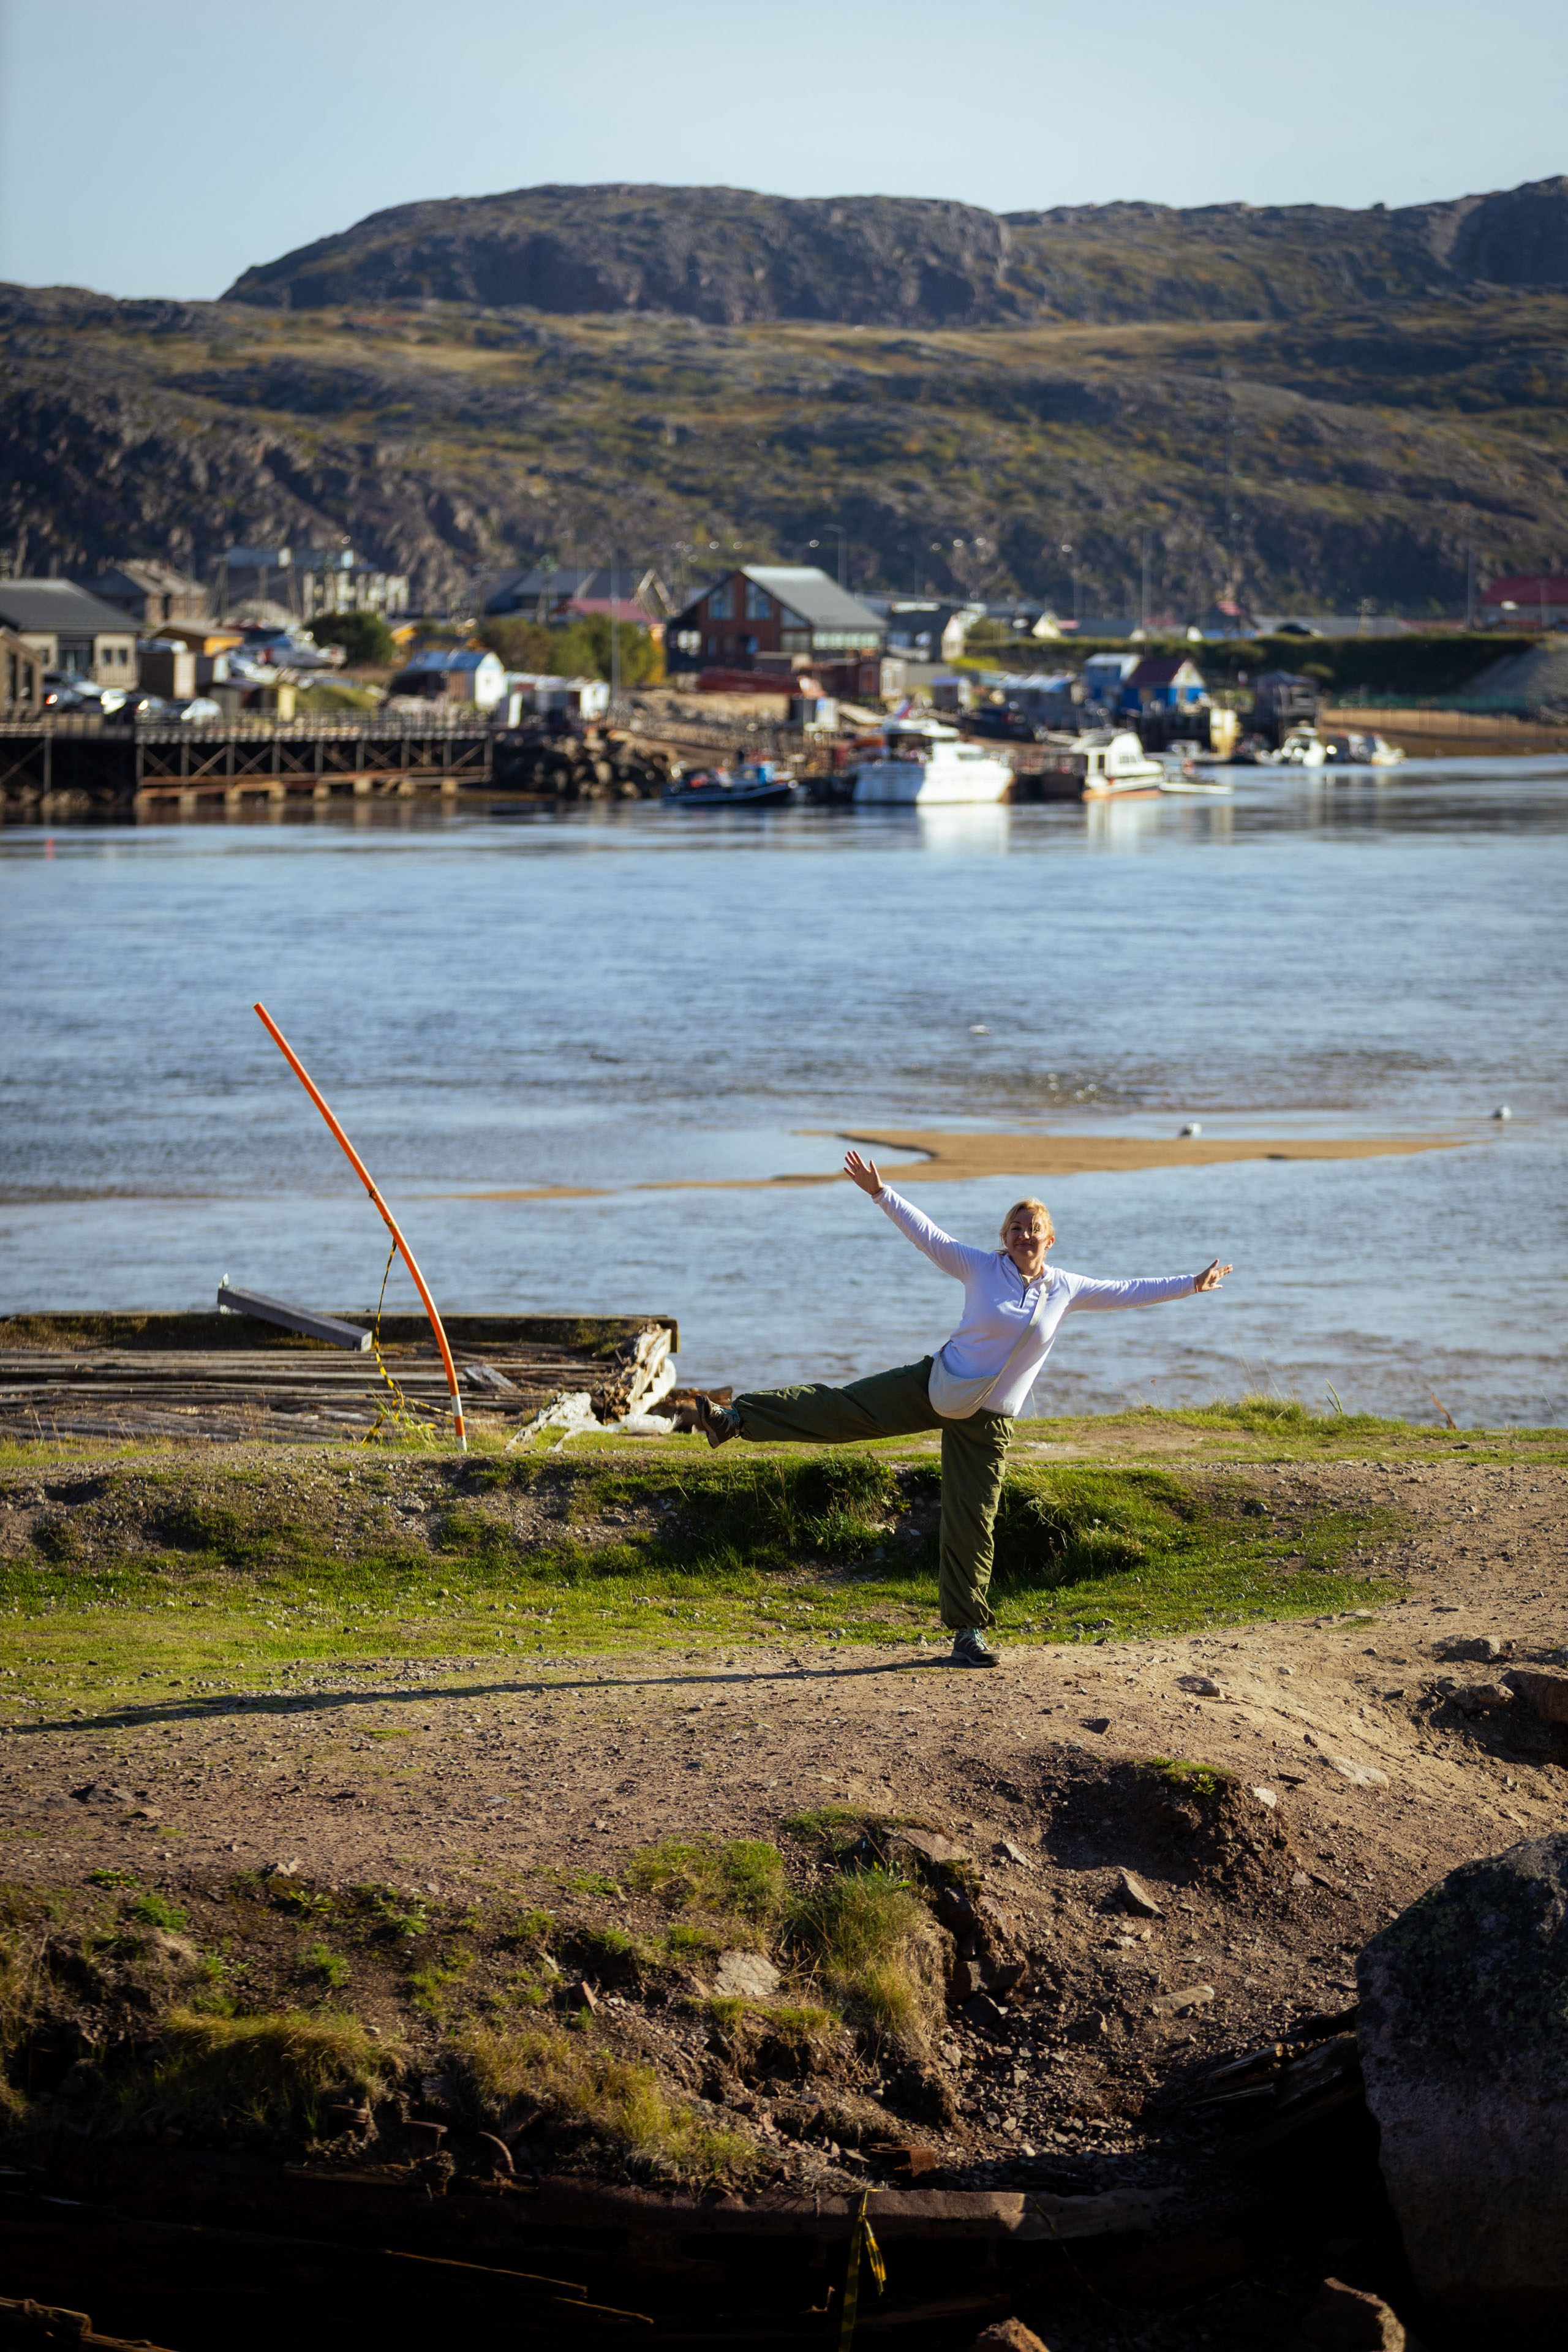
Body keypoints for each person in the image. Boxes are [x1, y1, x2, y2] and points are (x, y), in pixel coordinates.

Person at [695, 1150, 1232, 1668]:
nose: (1025, 1236)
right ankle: (737, 1419)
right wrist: (881, 1192)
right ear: (1004, 1238)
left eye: (1034, 1228)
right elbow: (929, 1236)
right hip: (936, 1384)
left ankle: (967, 1634)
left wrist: (1192, 1284)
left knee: (973, 1523)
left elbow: (1129, 1290)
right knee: (847, 1407)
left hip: (990, 1421)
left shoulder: (1066, 1288)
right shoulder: (980, 1267)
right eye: (1015, 1228)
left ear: (1050, 1239)